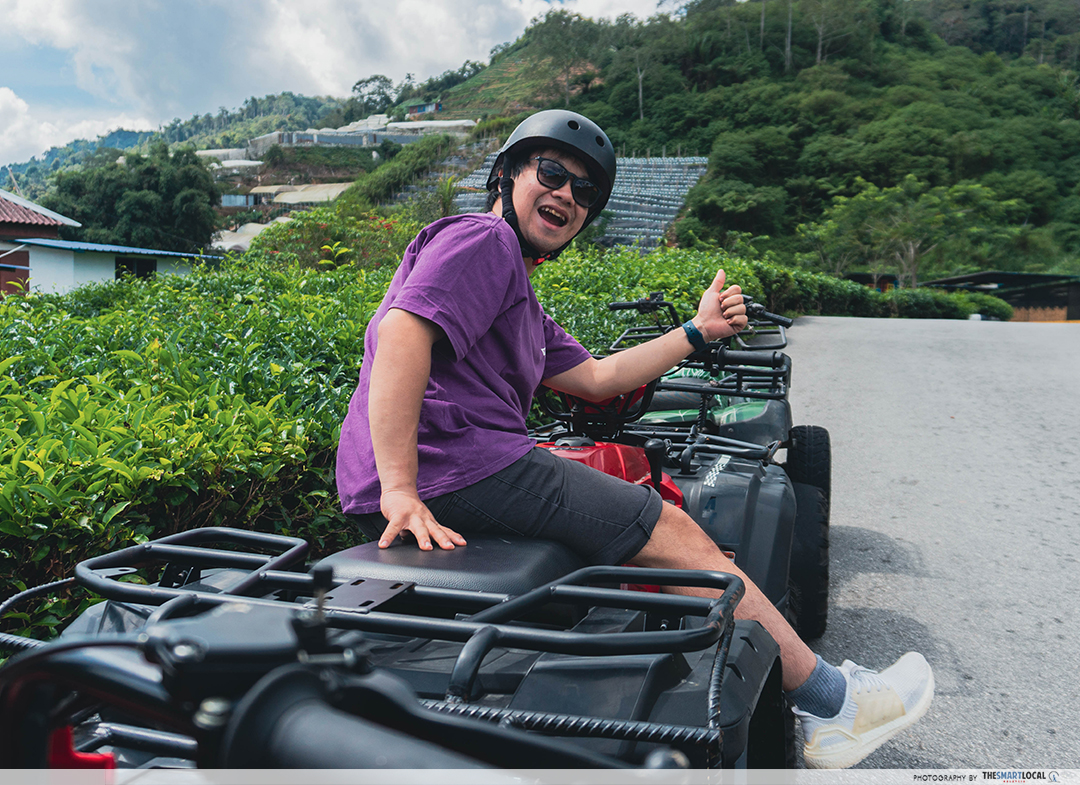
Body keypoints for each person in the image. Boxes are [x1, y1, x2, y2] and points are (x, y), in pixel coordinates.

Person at [336, 110, 934, 769]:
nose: (567, 194)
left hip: (452, 468)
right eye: (553, 172)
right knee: (672, 530)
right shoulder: (483, 242)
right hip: (461, 463)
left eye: (584, 190)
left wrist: (699, 331)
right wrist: (400, 486)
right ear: (504, 174)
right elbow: (401, 332)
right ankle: (834, 702)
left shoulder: (517, 294)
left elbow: (597, 376)